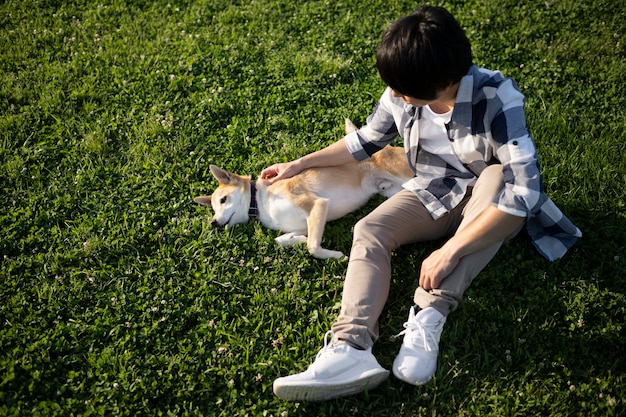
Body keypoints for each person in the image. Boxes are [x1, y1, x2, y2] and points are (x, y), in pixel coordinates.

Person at [262, 5, 581, 402]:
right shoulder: (403, 89)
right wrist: (299, 163)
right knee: (369, 230)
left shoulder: (497, 97)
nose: (395, 95)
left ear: (445, 80)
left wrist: (451, 251)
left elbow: (525, 193)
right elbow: (364, 142)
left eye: (403, 89)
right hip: (435, 190)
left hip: (493, 201)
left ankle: (428, 316)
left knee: (496, 175)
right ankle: (350, 349)